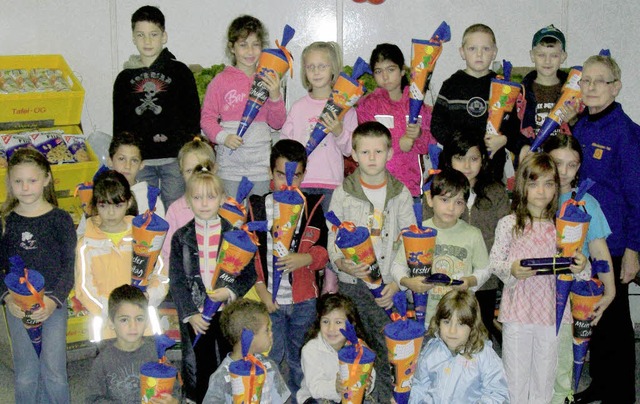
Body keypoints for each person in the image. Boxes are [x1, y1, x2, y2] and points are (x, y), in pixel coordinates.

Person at [327, 121, 416, 401]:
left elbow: (409, 240)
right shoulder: (343, 192)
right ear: (353, 154)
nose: (372, 158)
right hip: (352, 284)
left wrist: (396, 283)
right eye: (365, 152)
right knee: (355, 343)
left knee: (386, 345)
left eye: (379, 151)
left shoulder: (400, 194)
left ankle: (389, 397)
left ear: (390, 153)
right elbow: (334, 235)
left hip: (386, 287)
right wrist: (341, 262)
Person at [489, 153, 587, 403]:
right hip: (518, 310)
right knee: (515, 378)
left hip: (552, 312)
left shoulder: (564, 227)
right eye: (534, 184)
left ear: (556, 187)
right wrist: (512, 270)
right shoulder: (508, 224)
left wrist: (580, 266)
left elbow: (582, 272)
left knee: (545, 379)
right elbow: (495, 263)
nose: (541, 191)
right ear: (523, 186)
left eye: (548, 183)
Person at [570, 53, 638, 404]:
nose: (592, 87)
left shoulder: (625, 132)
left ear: (616, 87)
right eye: (586, 81)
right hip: (584, 238)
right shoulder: (581, 124)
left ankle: (621, 393)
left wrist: (633, 250)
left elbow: (637, 196)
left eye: (601, 81)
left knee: (614, 322)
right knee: (593, 316)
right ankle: (600, 383)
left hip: (613, 243)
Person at [248, 139, 329, 402]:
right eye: (282, 175)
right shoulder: (257, 207)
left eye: (296, 175)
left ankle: (301, 399)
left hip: (304, 299)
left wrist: (305, 258)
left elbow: (323, 252)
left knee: (301, 358)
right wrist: (260, 288)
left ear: (304, 174)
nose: (289, 182)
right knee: (271, 356)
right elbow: (249, 255)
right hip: (270, 301)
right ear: (271, 173)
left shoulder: (313, 206)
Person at [169, 164, 257, 403]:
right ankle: (199, 398)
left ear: (221, 199)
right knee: (199, 362)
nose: (204, 203)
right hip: (196, 315)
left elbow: (251, 273)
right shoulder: (181, 237)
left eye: (210, 196)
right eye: (197, 197)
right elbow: (176, 279)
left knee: (229, 359)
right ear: (188, 200)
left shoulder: (234, 235)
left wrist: (229, 291)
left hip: (226, 313)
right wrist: (189, 313)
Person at [542, 133, 616, 404]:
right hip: (535, 294)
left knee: (564, 363)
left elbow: (599, 252)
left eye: (571, 165)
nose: (563, 172)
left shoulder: (587, 203)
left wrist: (609, 292)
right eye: (556, 162)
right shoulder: (535, 198)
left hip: (571, 295)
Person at [0, 148, 75, 403]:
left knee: (54, 372)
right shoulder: (6, 221)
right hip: (18, 307)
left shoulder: (60, 219)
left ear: (46, 179)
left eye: (32, 180)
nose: (25, 187)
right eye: (18, 181)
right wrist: (7, 298)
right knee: (25, 374)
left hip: (52, 306)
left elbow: (69, 267)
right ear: (9, 182)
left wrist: (54, 301)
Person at [424, 130, 509, 340]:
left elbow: (504, 238)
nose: (467, 166)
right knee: (445, 333)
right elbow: (427, 234)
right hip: (446, 277)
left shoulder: (495, 191)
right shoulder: (436, 190)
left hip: (485, 278)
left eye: (474, 158)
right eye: (460, 159)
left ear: (483, 160)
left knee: (479, 335)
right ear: (449, 160)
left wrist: (482, 272)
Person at [113, 5, 200, 208]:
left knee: (176, 206)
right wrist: (120, 156)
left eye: (153, 34)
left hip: (174, 157)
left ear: (164, 36)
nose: (147, 41)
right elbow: (119, 122)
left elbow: (192, 113)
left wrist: (188, 150)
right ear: (133, 38)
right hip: (140, 160)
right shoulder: (124, 78)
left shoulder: (180, 72)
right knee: (143, 207)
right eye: (141, 35)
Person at [201, 15, 286, 199]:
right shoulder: (220, 81)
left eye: (255, 44)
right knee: (232, 221)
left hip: (260, 169)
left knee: (260, 221)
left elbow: (278, 123)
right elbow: (206, 119)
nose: (250, 51)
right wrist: (223, 137)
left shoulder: (269, 79)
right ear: (232, 48)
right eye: (243, 44)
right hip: (229, 169)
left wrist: (275, 96)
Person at [75, 170, 167, 340]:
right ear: (95, 204)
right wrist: (113, 313)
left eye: (117, 205)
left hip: (144, 325)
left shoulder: (143, 235)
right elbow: (84, 289)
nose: (111, 213)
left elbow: (161, 275)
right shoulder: (86, 244)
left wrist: (148, 297)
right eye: (103, 205)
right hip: (107, 328)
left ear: (128, 202)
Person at [397, 169, 491, 324]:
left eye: (459, 202)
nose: (451, 208)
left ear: (465, 205)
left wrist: (470, 281)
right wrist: (408, 282)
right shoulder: (417, 232)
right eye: (445, 200)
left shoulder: (473, 234)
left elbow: (485, 269)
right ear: (430, 199)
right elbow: (398, 266)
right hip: (426, 316)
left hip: (459, 317)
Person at [430, 23, 523, 181]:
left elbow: (513, 125)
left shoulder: (504, 88)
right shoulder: (451, 85)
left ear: (494, 53)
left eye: (486, 49)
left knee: (488, 203)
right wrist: (459, 147)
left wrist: (504, 139)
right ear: (462, 52)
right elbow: (437, 125)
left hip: (491, 167)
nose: (479, 54)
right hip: (456, 166)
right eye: (472, 48)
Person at [280, 41, 356, 213]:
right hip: (301, 183)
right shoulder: (298, 107)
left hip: (332, 184)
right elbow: (285, 146)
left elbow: (351, 149)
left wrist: (339, 131)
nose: (316, 71)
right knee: (301, 236)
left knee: (330, 234)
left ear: (334, 70)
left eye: (322, 66)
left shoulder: (345, 108)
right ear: (304, 72)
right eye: (310, 66)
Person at [357, 43, 434, 200]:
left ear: (402, 71)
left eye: (391, 69)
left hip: (410, 189)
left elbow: (430, 146)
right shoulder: (368, 105)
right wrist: (399, 143)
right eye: (379, 71)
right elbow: (365, 144)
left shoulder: (419, 105)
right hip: (375, 187)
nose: (385, 77)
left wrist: (418, 135)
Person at [409, 290, 509, 403]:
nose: (452, 331)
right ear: (438, 322)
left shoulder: (484, 355)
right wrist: (406, 399)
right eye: (446, 322)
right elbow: (419, 387)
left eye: (461, 324)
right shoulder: (431, 351)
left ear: (472, 325)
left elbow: (498, 393)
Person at [85, 285, 178, 404]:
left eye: (139, 319)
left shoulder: (156, 353)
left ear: (147, 322)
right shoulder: (103, 360)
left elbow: (174, 389)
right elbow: (92, 399)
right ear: (111, 323)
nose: (132, 326)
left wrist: (173, 401)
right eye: (124, 320)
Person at [76, 130, 166, 237]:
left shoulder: (151, 199)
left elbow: (159, 238)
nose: (127, 166)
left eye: (134, 160)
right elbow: (82, 234)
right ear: (110, 161)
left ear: (141, 165)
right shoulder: (98, 193)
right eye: (121, 159)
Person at [203, 298, 290, 403]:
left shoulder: (268, 366)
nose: (271, 333)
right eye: (266, 330)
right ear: (247, 337)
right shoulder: (222, 377)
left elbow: (279, 400)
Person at [297, 293, 375, 403]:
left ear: (351, 324)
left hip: (349, 395)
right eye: (325, 321)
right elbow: (315, 388)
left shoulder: (359, 347)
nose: (331, 328)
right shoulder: (310, 350)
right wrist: (335, 387)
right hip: (317, 397)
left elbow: (370, 372)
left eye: (338, 322)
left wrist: (367, 384)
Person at [517, 25, 577, 146]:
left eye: (554, 55)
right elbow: (513, 128)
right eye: (541, 55)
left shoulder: (575, 91)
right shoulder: (521, 91)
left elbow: (582, 132)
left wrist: (573, 120)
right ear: (532, 55)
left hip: (561, 157)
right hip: (533, 159)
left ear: (563, 57)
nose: (547, 61)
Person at [161, 136, 216, 265]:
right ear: (181, 173)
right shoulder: (175, 210)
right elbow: (167, 253)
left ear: (214, 170)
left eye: (200, 169)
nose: (195, 176)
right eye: (189, 171)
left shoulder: (225, 206)